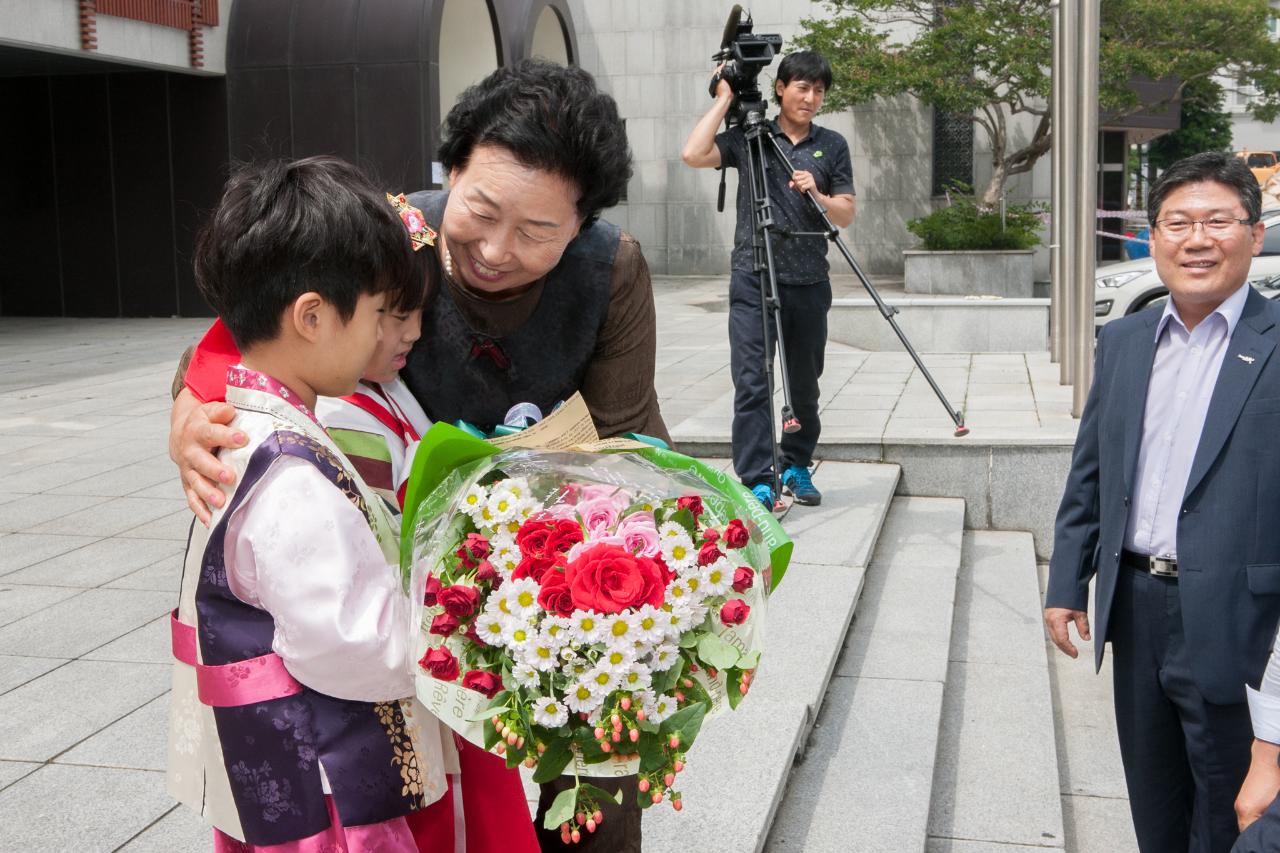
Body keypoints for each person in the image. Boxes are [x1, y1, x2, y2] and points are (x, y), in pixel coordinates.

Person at [169, 59, 655, 853]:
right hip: (418, 599)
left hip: (536, 563)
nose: (496, 250)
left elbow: (629, 441)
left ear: (582, 226)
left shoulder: (612, 270)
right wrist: (190, 408)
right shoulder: (389, 234)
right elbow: (249, 324)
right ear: (449, 172)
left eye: (538, 232)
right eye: (482, 210)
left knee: (603, 764)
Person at [166, 155, 449, 851]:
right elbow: (353, 639)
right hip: (327, 786)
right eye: (380, 313)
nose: (387, 334)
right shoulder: (291, 477)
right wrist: (456, 621)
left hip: (279, 763)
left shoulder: (240, 421)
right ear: (314, 316)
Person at [1043, 151, 1280, 853]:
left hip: (1241, 623)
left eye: (1217, 221)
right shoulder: (1123, 339)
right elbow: (1091, 469)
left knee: (1230, 813)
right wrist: (1067, 581)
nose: (1196, 239)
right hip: (1138, 610)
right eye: (1178, 222)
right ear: (1154, 237)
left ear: (1255, 234)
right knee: (1154, 806)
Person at [681, 50, 855, 509]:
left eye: (818, 90)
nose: (810, 97)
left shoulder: (831, 145)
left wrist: (816, 191)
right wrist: (724, 98)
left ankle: (796, 464)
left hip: (809, 280)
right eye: (802, 87)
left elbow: (847, 212)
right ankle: (758, 478)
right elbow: (693, 153)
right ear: (780, 88)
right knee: (753, 380)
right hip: (754, 276)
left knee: (804, 383)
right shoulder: (750, 138)